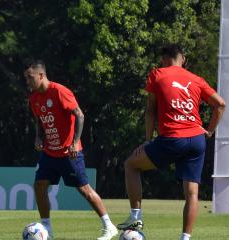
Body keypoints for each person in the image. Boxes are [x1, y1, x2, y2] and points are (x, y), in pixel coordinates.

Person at [117, 44, 225, 240]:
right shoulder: (196, 79)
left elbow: (150, 110)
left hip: (173, 138)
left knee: (131, 165)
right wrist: (208, 131)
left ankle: (136, 218)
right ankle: (185, 238)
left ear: (165, 59)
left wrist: (148, 141)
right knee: (192, 193)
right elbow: (220, 104)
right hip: (197, 140)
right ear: (182, 59)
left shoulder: (157, 74)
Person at [25, 60, 118, 240]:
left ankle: (109, 225)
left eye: (30, 78)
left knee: (85, 190)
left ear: (41, 75)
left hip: (69, 153)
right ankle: (46, 227)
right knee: (39, 185)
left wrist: (75, 142)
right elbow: (40, 120)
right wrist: (38, 136)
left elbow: (80, 115)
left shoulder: (60, 91)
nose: (27, 82)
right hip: (50, 153)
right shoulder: (34, 98)